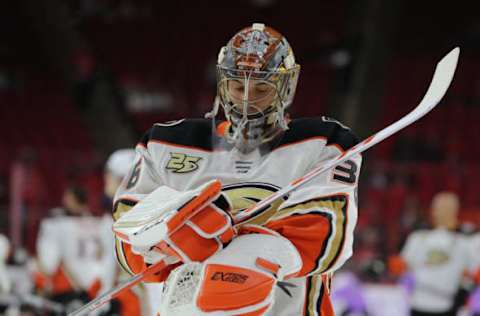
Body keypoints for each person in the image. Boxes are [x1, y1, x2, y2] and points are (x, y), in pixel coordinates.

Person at [113, 23, 362, 316]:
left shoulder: (323, 142)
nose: (246, 100)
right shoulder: (165, 143)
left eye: (260, 88)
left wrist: (235, 248)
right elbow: (127, 233)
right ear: (223, 84)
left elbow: (325, 233)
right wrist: (166, 239)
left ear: (285, 87)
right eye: (237, 86)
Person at [35, 186, 116, 313]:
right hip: (98, 282)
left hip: (71, 286)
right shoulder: (99, 221)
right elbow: (106, 254)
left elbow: (48, 264)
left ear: (72, 200)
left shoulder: (57, 223)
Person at [400, 192, 472, 316]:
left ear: (455, 211)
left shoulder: (466, 242)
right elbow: (403, 268)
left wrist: (464, 290)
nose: (442, 212)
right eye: (439, 207)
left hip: (446, 304)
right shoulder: (418, 238)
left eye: (447, 208)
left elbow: (472, 274)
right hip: (418, 302)